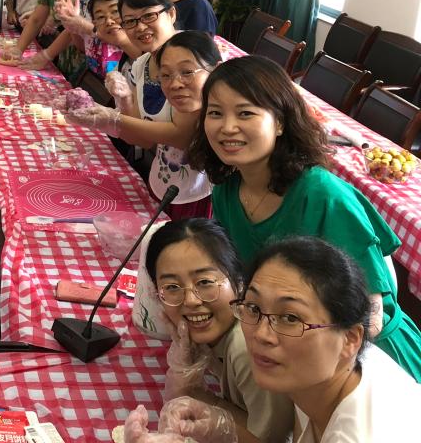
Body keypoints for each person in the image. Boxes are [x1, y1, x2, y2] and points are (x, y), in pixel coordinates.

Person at [188, 55, 421, 380]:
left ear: (280, 122)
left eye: (245, 113)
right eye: (215, 113)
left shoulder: (323, 195)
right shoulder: (227, 191)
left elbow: (371, 317)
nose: (227, 127)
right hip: (293, 347)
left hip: (368, 361)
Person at [233, 237, 421, 442]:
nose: (261, 334)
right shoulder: (317, 379)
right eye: (253, 308)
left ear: (350, 339)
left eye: (290, 318)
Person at [135, 218, 295, 443]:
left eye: (205, 282)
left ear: (238, 282)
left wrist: (195, 398)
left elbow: (272, 440)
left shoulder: (247, 346)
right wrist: (190, 385)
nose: (191, 300)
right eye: (172, 287)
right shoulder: (212, 337)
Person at [71, 31, 220, 218]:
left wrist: (111, 118)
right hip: (162, 182)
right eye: (165, 75)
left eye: (187, 72)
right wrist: (118, 106)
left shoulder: (210, 109)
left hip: (195, 196)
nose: (175, 84)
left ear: (216, 70)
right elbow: (143, 139)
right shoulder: (146, 68)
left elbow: (180, 137)